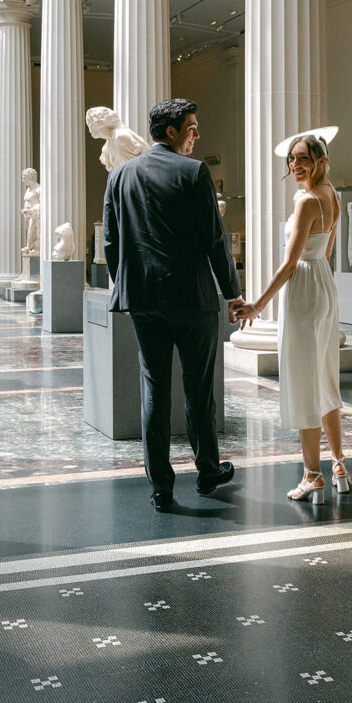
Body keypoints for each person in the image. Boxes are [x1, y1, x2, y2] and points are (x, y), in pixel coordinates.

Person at [103, 98, 243, 511]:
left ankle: (161, 486)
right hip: (192, 300)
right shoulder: (194, 171)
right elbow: (214, 239)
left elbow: (111, 242)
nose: (197, 134)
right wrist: (233, 293)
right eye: (192, 127)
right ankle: (207, 470)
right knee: (198, 391)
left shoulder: (120, 176)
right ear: (171, 132)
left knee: (154, 389)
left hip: (143, 300)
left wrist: (127, 283)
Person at [235, 131, 349, 504]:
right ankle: (339, 464)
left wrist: (258, 304)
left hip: (302, 288)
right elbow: (326, 251)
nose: (295, 165)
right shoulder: (333, 195)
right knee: (324, 376)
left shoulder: (308, 202)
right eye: (291, 160)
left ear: (321, 160)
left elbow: (288, 264)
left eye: (302, 158)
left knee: (303, 381)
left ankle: (312, 474)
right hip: (323, 285)